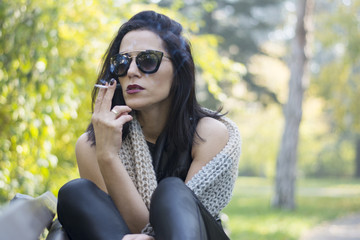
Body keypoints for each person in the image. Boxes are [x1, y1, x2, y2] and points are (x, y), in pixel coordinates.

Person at [57, 10, 241, 240]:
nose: (132, 71)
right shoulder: (92, 145)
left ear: (178, 70)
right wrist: (107, 155)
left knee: (172, 192)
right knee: (75, 193)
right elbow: (119, 228)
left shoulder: (208, 133)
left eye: (147, 60)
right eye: (122, 63)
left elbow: (167, 228)